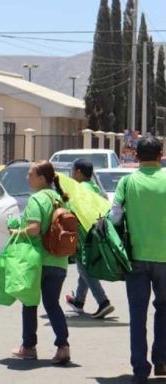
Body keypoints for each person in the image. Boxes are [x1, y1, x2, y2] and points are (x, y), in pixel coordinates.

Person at [110, 137, 166, 384]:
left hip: (135, 258)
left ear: (136, 155)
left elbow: (115, 217)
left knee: (137, 314)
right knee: (164, 309)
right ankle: (162, 360)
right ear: (160, 154)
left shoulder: (127, 181)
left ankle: (140, 369)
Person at [10, 161, 71, 365]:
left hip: (37, 261)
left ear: (42, 178)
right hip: (60, 260)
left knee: (29, 302)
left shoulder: (37, 199)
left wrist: (16, 232)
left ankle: (28, 347)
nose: (27, 177)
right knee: (52, 304)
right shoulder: (61, 199)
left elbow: (34, 229)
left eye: (30, 174)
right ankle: (63, 347)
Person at [65, 158, 115, 319]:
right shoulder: (95, 187)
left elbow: (73, 211)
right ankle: (78, 301)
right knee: (83, 268)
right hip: (97, 233)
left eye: (73, 171)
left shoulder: (79, 190)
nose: (72, 174)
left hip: (83, 235)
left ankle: (103, 302)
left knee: (84, 268)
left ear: (78, 172)